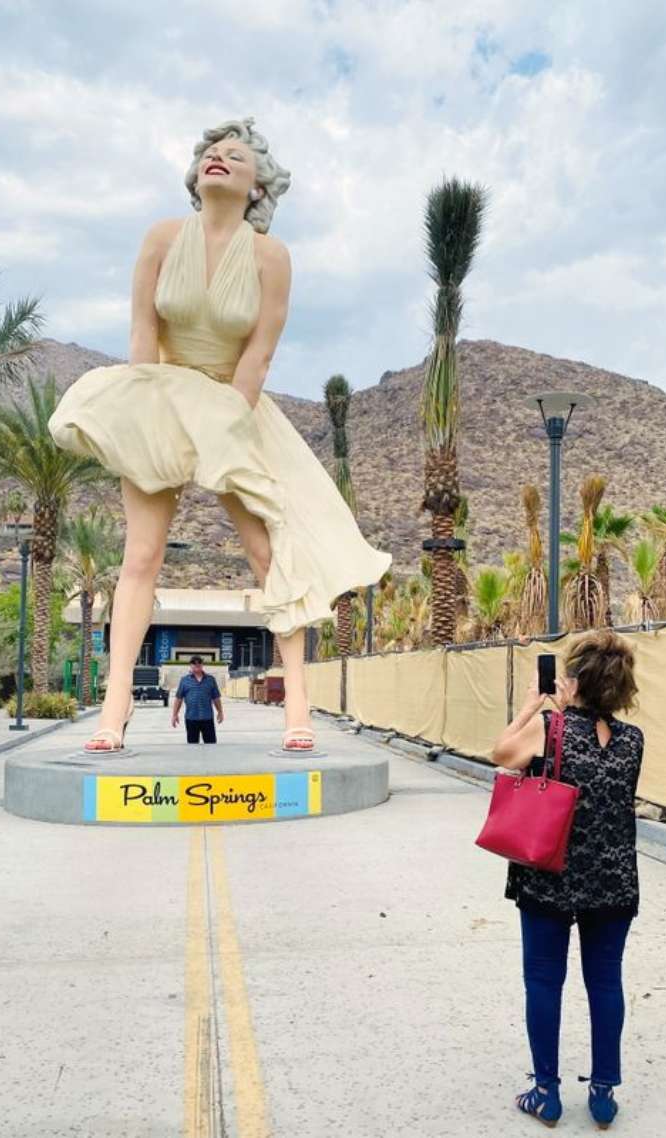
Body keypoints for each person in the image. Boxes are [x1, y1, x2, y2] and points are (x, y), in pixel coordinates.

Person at [48, 116, 392, 756]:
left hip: (237, 406)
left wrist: (223, 428)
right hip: (162, 394)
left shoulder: (270, 257)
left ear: (258, 184)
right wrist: (147, 416)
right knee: (141, 557)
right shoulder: (159, 238)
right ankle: (114, 706)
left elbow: (259, 356)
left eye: (235, 155)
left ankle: (297, 705)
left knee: (268, 556)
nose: (218, 158)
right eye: (211, 151)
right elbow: (141, 340)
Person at [490, 630, 644, 1130]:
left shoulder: (549, 728)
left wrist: (534, 707)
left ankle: (546, 1093)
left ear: (573, 682)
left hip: (548, 876)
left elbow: (500, 753)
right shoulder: (633, 740)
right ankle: (602, 1094)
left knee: (543, 981)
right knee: (605, 982)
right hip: (614, 879)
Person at [171, 656, 223, 744]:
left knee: (211, 745)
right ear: (190, 666)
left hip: (207, 718)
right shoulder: (185, 680)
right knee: (192, 746)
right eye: (194, 664)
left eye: (199, 663)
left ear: (202, 665)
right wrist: (174, 715)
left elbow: (216, 698)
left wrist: (220, 712)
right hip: (191, 718)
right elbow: (179, 699)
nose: (197, 665)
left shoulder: (210, 680)